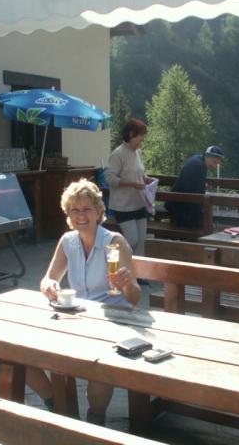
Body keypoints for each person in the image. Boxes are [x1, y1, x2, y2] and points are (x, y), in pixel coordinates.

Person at [29, 179, 141, 425]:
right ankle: (57, 404)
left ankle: (95, 419)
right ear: (69, 214)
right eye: (75, 210)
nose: (81, 216)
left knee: (101, 369)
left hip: (113, 319)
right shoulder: (68, 241)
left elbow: (134, 299)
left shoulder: (114, 243)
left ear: (99, 212)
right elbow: (48, 278)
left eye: (87, 209)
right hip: (77, 317)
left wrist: (125, 283)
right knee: (15, 351)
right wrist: (49, 285)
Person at [105, 118, 154, 258]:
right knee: (132, 240)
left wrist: (146, 178)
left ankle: (138, 270)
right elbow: (109, 178)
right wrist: (132, 184)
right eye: (141, 135)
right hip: (123, 207)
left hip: (139, 204)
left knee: (142, 242)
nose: (143, 139)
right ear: (131, 134)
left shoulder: (138, 152)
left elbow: (139, 171)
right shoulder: (118, 154)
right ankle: (113, 261)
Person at [165, 145, 224, 228]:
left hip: (177, 202)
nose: (214, 166)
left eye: (216, 164)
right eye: (214, 162)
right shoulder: (199, 166)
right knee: (205, 222)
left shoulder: (198, 160)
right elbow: (196, 194)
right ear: (208, 156)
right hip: (180, 206)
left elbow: (193, 186)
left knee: (205, 218)